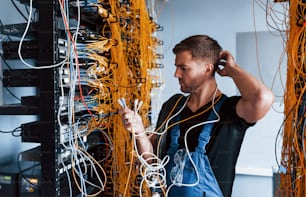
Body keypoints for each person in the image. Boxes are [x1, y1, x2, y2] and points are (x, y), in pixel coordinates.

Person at [119, 35, 274, 197]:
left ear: (207, 69)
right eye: (176, 67)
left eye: (183, 68)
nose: (176, 74)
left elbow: (263, 98)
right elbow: (152, 161)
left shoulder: (230, 111)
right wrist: (139, 132)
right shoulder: (173, 106)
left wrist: (233, 70)